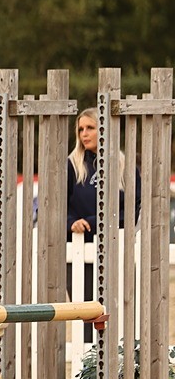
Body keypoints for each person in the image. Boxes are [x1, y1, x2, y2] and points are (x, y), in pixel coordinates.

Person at [66, 108, 138, 343]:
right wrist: (71, 223)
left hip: (113, 250)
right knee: (85, 313)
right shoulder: (71, 166)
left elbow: (131, 210)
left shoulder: (124, 165)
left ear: (104, 130)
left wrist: (93, 222)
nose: (84, 134)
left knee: (115, 312)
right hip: (79, 251)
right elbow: (56, 206)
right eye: (81, 129)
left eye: (90, 128)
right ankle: (87, 368)